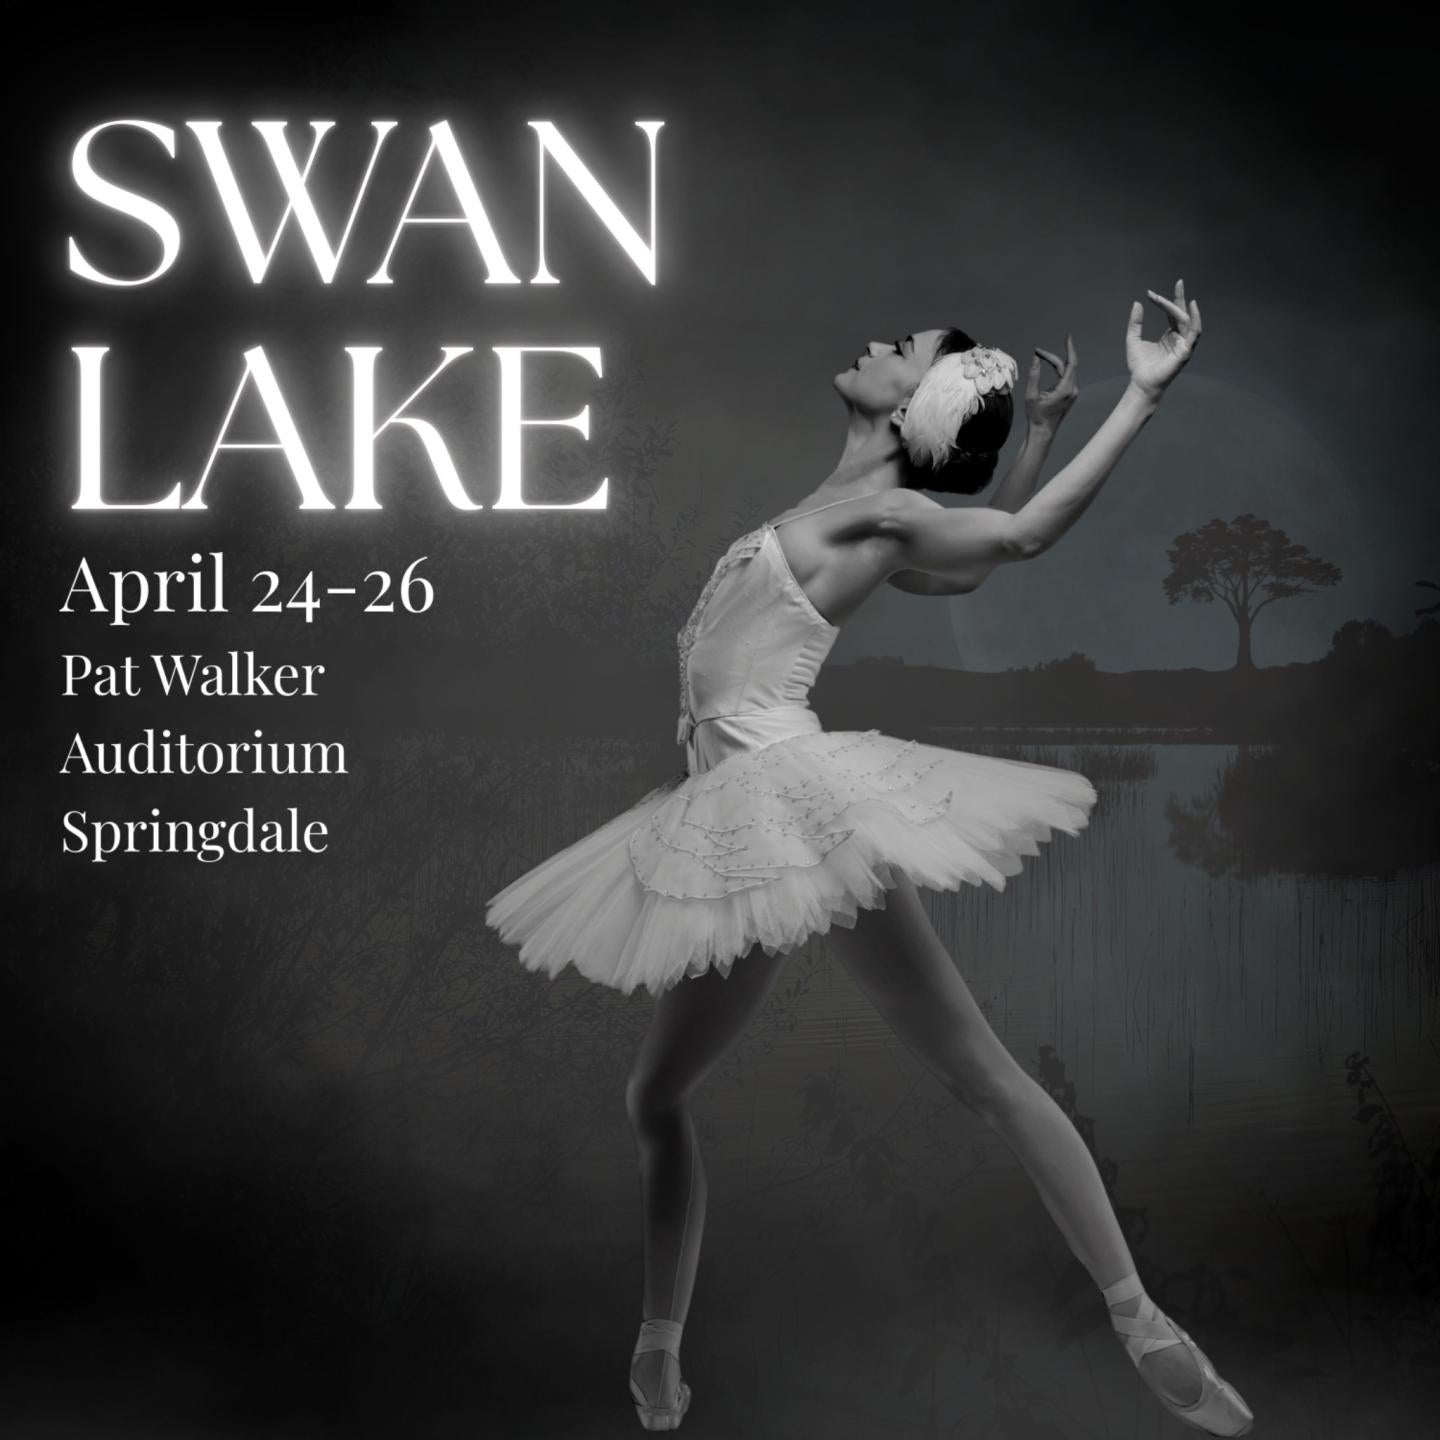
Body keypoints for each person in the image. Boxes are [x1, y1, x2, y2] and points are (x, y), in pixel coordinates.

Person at [484, 281, 1254, 1436]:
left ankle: (1143, 1321)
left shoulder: (873, 511)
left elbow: (1020, 540)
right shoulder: (856, 511)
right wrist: (1033, 433)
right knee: (656, 1092)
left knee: (975, 1067)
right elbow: (966, 569)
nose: (882, 342)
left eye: (907, 349)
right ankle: (657, 1349)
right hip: (728, 817)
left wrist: (1139, 399)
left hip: (796, 800)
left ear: (915, 409)